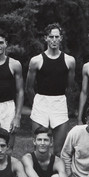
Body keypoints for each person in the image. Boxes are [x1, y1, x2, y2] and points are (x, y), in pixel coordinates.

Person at [26, 23, 76, 156]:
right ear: (46, 38)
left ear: (61, 38)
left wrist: (68, 106)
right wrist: (36, 105)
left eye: (56, 36)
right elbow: (29, 88)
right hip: (41, 102)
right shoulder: (36, 60)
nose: (54, 39)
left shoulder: (69, 60)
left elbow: (70, 88)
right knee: (40, 147)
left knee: (59, 150)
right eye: (51, 36)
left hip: (59, 102)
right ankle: (38, 176)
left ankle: (56, 175)